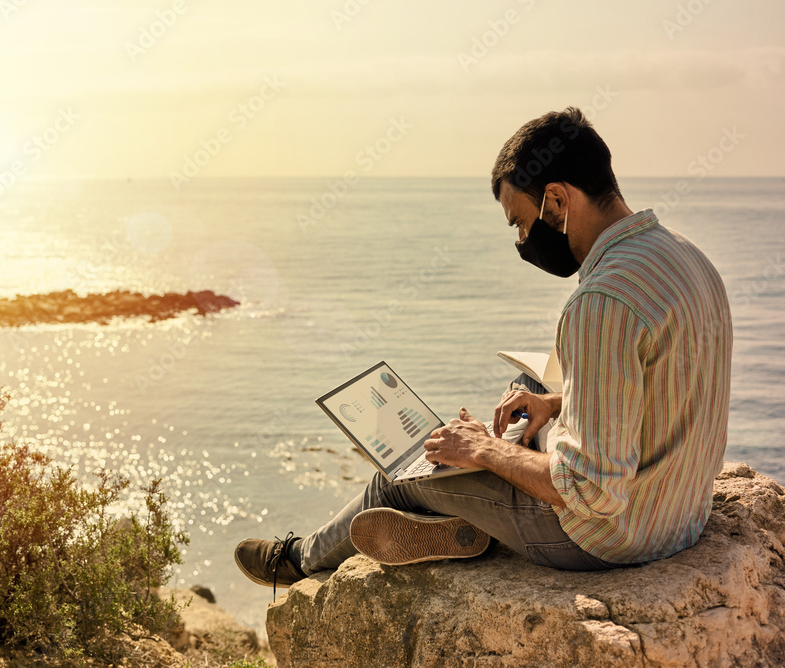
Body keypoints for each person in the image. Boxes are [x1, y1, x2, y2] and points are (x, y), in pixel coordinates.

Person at [234, 107, 733, 593]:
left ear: (556, 200)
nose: (521, 240)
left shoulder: (600, 302)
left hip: (614, 537)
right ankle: (465, 521)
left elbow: (593, 492)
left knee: (399, 479)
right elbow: (662, 381)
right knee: (529, 391)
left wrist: (485, 451)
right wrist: (555, 406)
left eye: (520, 222)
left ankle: (298, 561)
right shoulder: (685, 256)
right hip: (680, 512)